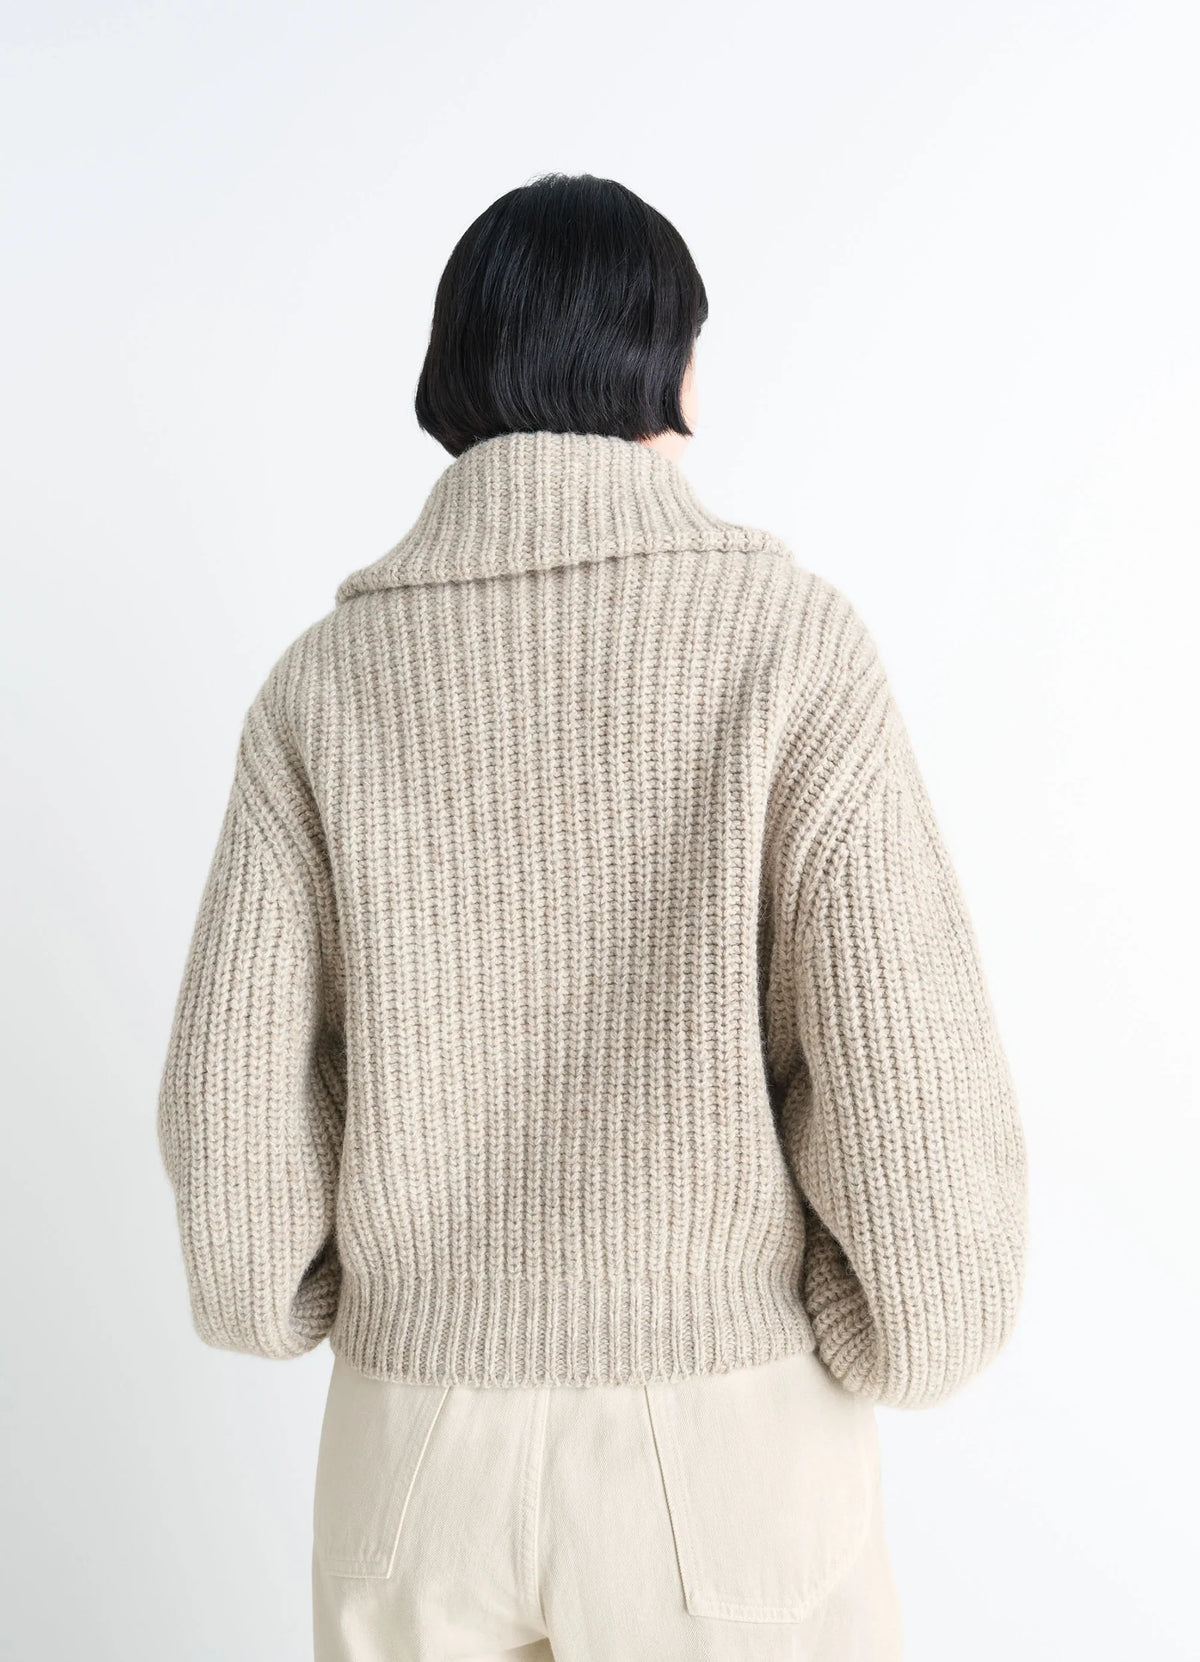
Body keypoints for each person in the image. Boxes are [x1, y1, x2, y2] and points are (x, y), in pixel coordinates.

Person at [157, 171, 1028, 1661]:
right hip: (726, 1443)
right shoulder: (786, 646)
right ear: (669, 366)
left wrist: (302, 1290)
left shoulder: (324, 685)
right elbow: (907, 1073)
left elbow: (232, 1114)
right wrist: (891, 1316)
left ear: (460, 370)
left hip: (411, 1452)